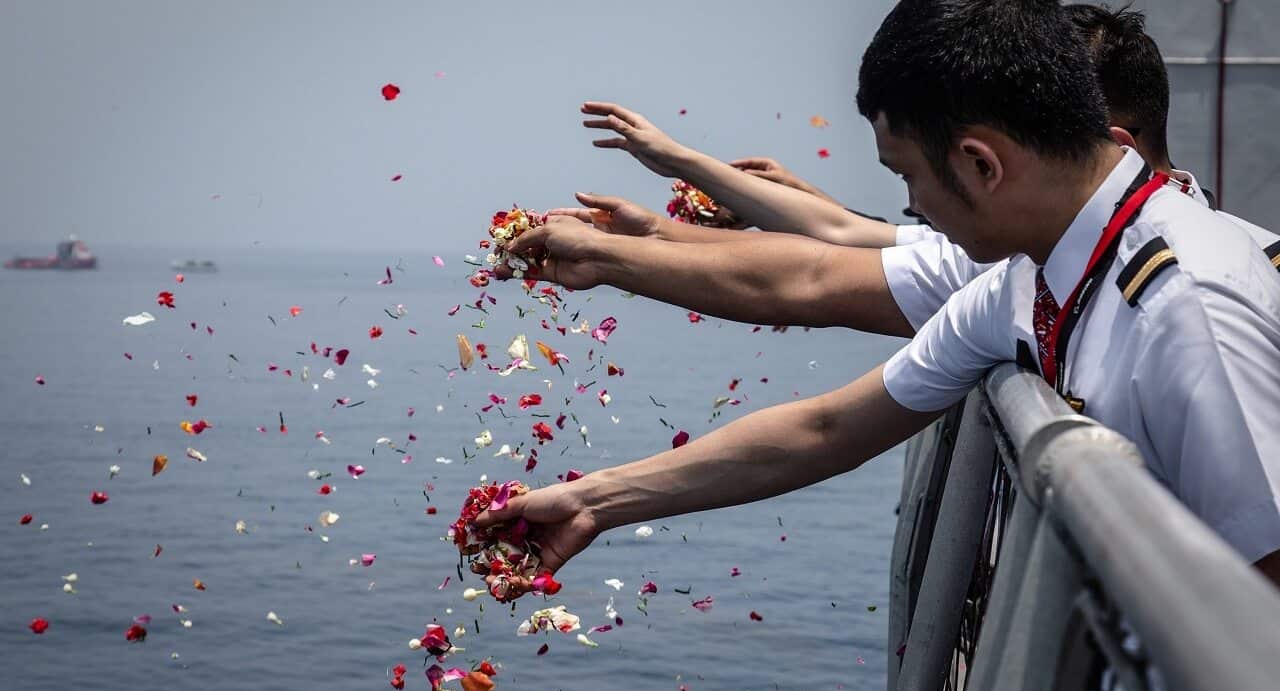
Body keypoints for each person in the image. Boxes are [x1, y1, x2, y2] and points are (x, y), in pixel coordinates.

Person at [477, 0, 1280, 592]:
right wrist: (592, 503)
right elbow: (828, 426)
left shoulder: (1189, 303)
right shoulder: (1025, 279)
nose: (911, 210)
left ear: (979, 165)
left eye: (907, 178)